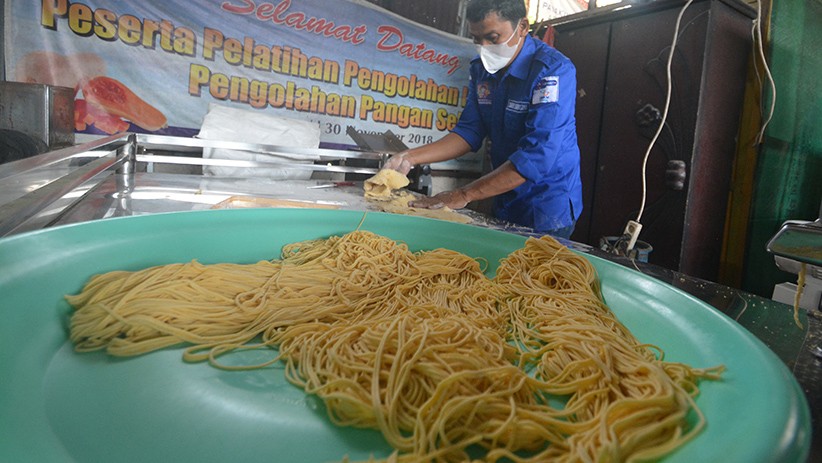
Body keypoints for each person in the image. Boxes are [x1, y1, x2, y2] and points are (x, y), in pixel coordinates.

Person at [383, 0, 583, 239]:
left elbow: (537, 158)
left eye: (493, 37)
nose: (484, 47)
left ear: (522, 27)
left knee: (535, 271)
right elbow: (469, 132)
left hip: (546, 204)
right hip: (502, 193)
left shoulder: (551, 71)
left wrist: (463, 195)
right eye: (477, 39)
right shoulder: (482, 70)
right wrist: (409, 157)